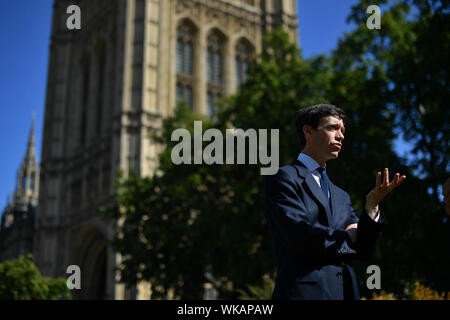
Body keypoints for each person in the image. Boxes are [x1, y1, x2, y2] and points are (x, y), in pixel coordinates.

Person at [264, 104, 406, 300]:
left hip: (345, 293)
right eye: (332, 128)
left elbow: (363, 250)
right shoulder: (284, 177)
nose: (341, 136)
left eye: (342, 131)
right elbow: (300, 237)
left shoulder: (341, 196)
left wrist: (372, 206)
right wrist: (348, 236)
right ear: (308, 131)